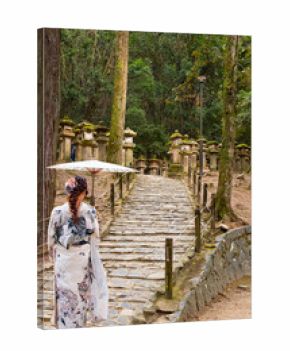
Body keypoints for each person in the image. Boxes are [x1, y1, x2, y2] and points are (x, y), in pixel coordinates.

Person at [47, 175, 109, 328]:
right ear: (83, 193)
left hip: (63, 261)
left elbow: (51, 240)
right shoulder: (89, 212)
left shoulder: (57, 212)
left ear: (67, 192)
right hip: (81, 262)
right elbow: (96, 235)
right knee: (79, 298)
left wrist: (55, 255)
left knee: (64, 298)